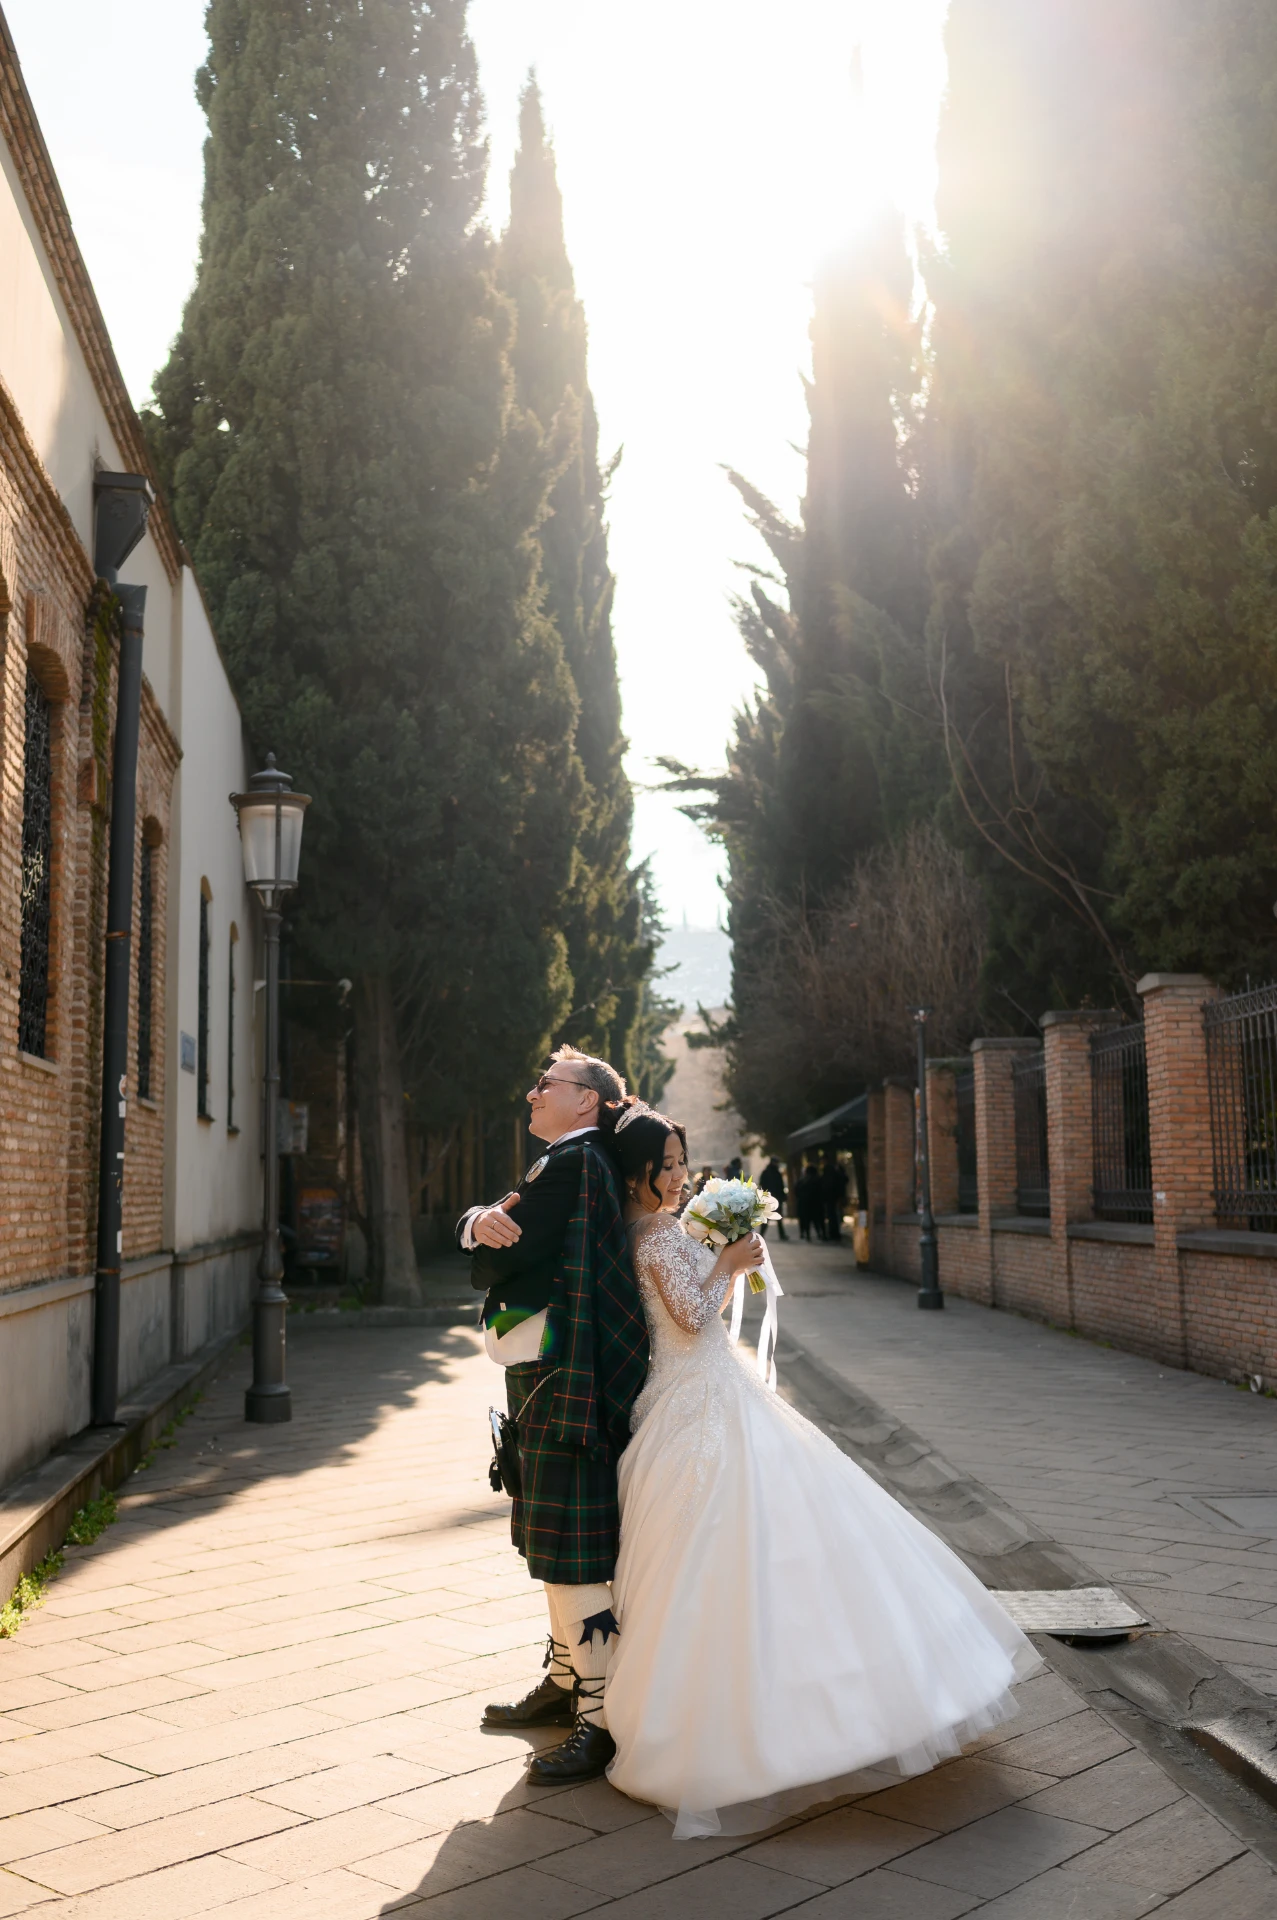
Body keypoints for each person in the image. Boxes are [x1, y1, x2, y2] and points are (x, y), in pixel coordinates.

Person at [603, 1107, 1040, 1839]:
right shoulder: (654, 1237)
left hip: (706, 1389)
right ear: (636, 1174)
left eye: (681, 1162)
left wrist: (723, 1263)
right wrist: (728, 1264)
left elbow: (695, 1313)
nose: (678, 1176)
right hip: (698, 1399)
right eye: (666, 1166)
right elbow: (692, 1319)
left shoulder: (655, 1232)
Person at [458, 1046, 649, 1784]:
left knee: (572, 1556)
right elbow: (497, 1232)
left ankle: (595, 1720)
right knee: (554, 1548)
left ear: (587, 1101)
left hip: (564, 1380)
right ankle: (567, 1683)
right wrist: (478, 1222)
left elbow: (499, 1259)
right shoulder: (568, 1161)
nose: (533, 1093)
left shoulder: (572, 1163)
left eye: (548, 1084)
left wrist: (479, 1237)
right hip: (553, 1374)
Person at [757, 1155, 787, 1240]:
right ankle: (762, 1235)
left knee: (776, 1217)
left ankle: (780, 1235)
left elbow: (780, 1186)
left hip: (774, 1198)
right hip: (771, 1198)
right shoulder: (769, 1173)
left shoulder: (773, 1172)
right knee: (768, 1217)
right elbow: (763, 1185)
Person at [821, 1151, 850, 1243]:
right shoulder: (836, 1168)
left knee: (832, 1215)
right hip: (835, 1195)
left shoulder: (829, 1169)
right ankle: (834, 1233)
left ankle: (833, 1233)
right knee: (834, 1214)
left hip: (831, 1195)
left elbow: (827, 1183)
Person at [796, 1160, 822, 1241]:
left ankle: (807, 1235)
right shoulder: (818, 1180)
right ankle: (820, 1234)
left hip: (804, 1203)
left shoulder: (802, 1180)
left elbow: (796, 1191)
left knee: (806, 1220)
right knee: (817, 1219)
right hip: (816, 1203)